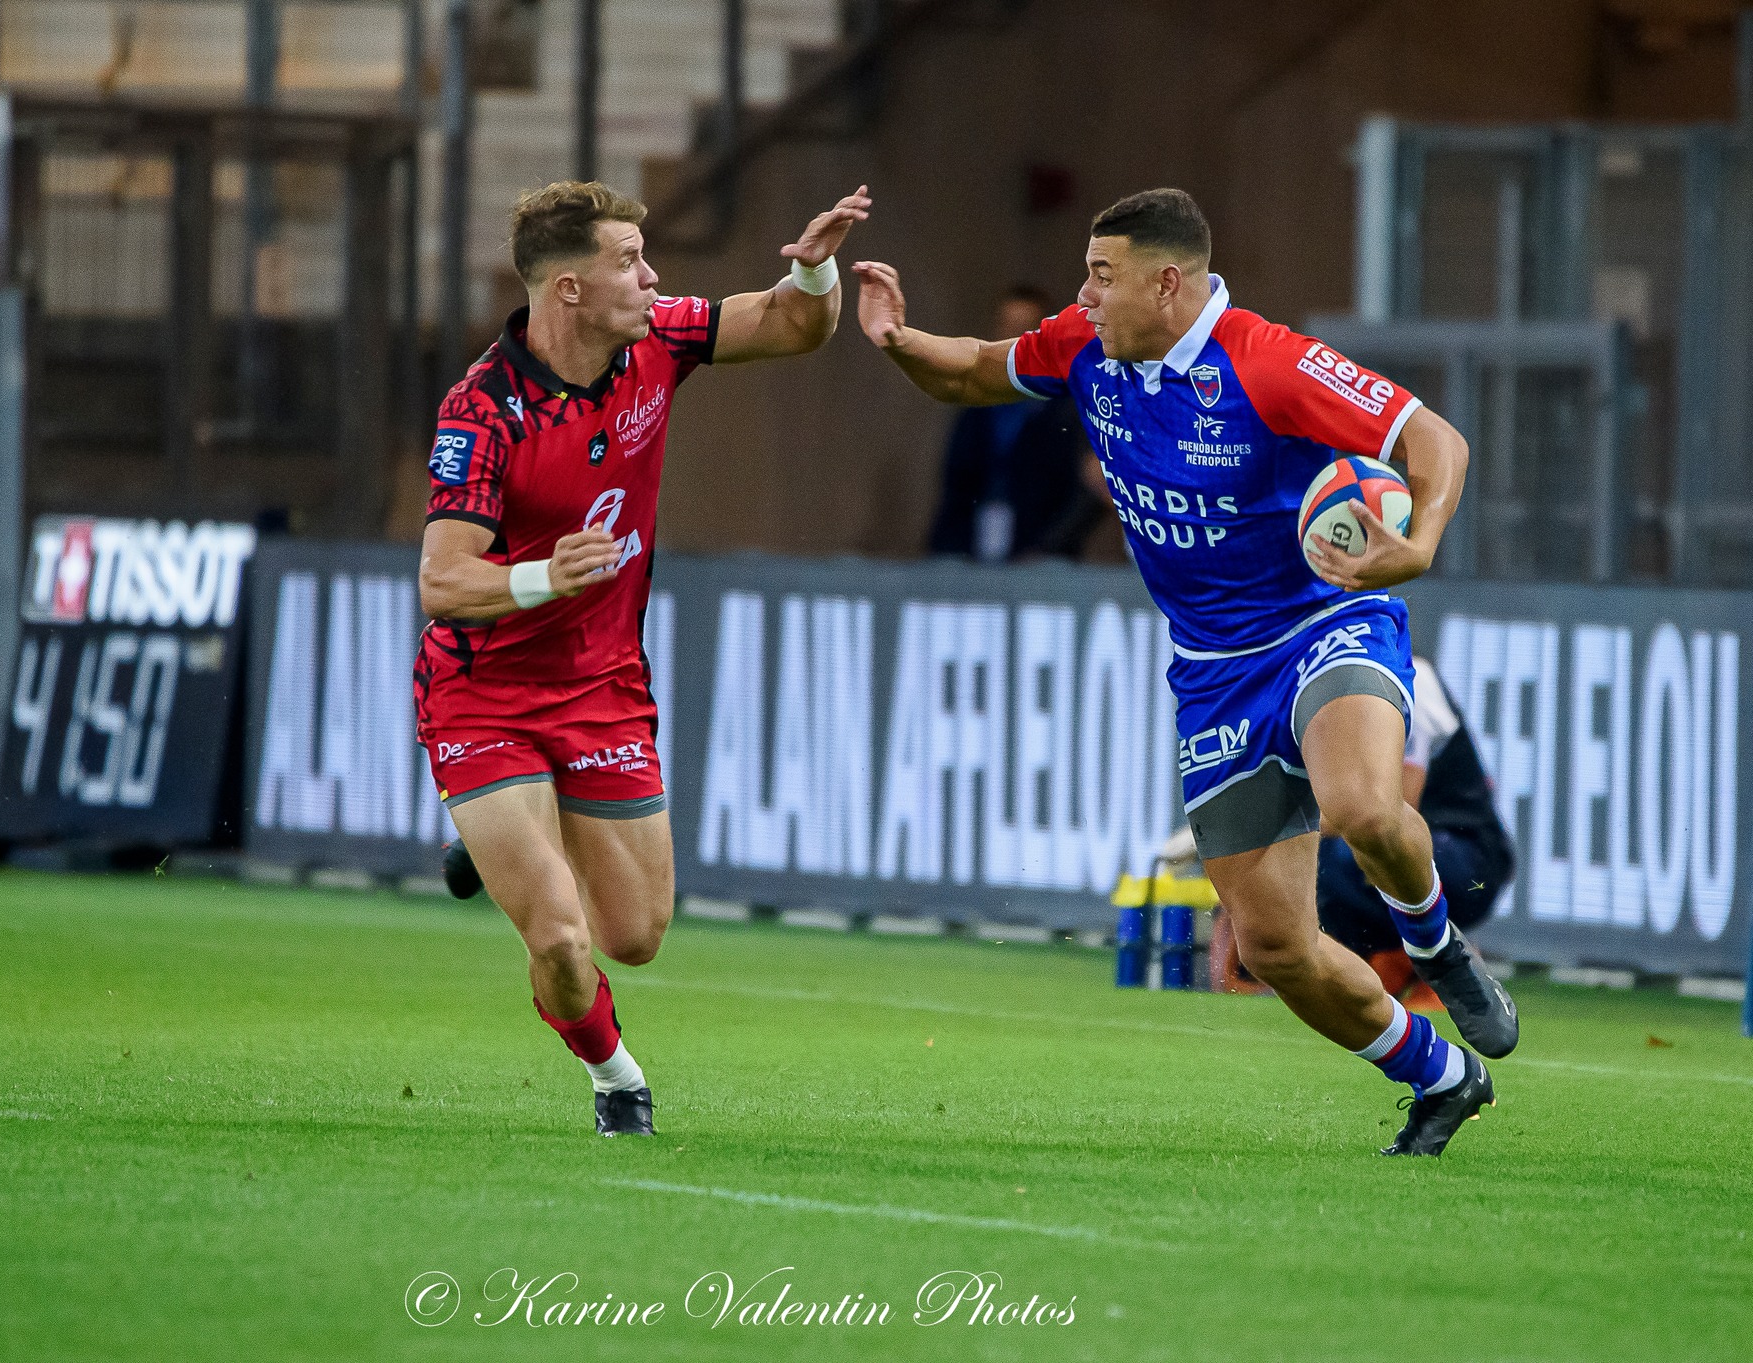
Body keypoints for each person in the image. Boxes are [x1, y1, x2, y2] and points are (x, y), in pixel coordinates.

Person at [855, 187, 1517, 1157]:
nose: (1081, 297)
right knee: (1271, 947)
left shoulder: (1265, 361)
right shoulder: (1085, 349)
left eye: (1099, 276)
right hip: (1211, 672)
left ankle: (1433, 944)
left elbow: (1433, 440)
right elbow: (971, 374)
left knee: (1362, 809)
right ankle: (1439, 1074)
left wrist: (1415, 543)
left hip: (1324, 620)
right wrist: (895, 338)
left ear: (1167, 283)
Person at [421, 179, 871, 1136]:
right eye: (628, 260)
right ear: (570, 291)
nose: (652, 276)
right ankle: (616, 1077)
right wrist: (543, 577)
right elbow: (443, 581)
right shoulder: (483, 412)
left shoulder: (658, 337)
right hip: (483, 693)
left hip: (601, 685)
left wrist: (815, 266)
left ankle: (502, 833)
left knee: (635, 935)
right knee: (557, 928)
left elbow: (794, 326)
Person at [1319, 655, 1516, 1002]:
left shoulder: (1406, 675)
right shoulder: (1323, 675)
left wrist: (1276, 829)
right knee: (1318, 855)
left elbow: (1397, 807)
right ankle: (1391, 958)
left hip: (1468, 861)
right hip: (1421, 851)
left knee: (1347, 847)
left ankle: (1436, 961)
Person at [924, 286, 1093, 562]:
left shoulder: (1068, 407)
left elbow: (1080, 490)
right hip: (969, 546)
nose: (1013, 338)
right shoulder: (975, 406)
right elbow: (955, 485)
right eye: (1007, 327)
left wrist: (1048, 547)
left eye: (1025, 328)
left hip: (1042, 556)